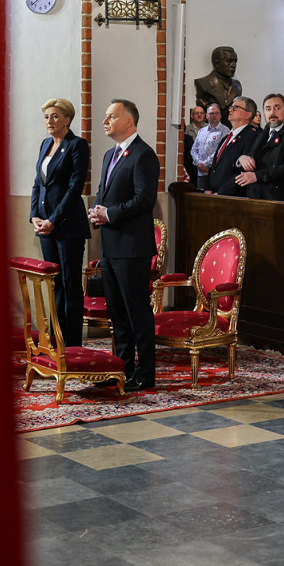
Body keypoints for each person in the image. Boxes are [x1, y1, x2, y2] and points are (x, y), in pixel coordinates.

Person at [88, 99, 161, 392]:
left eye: (111, 116)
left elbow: (144, 199)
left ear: (129, 121)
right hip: (110, 246)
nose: (105, 121)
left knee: (136, 313)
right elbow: (103, 192)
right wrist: (97, 211)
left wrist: (110, 214)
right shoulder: (110, 154)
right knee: (117, 313)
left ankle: (145, 373)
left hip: (132, 248)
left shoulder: (144, 155)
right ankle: (122, 368)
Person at [29, 98, 91, 347]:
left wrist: (54, 220)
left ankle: (72, 345)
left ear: (67, 119)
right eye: (46, 117)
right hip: (46, 227)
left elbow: (75, 187)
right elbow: (38, 184)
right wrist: (34, 216)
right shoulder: (45, 144)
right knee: (54, 285)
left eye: (55, 116)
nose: (50, 121)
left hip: (68, 227)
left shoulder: (77, 145)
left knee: (70, 285)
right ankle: (56, 341)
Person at [242, 93, 284, 201]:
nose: (272, 113)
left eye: (277, 108)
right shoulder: (261, 134)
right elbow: (251, 155)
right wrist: (242, 158)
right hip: (255, 195)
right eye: (268, 109)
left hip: (277, 198)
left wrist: (257, 176)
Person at [204, 96, 261, 195]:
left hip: (231, 196)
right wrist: (208, 188)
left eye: (236, 107)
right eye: (231, 107)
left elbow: (243, 172)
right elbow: (214, 166)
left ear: (248, 114)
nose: (230, 110)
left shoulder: (251, 136)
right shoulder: (225, 138)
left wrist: (221, 193)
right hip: (213, 194)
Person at [189, 103, 229, 189]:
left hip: (214, 172)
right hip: (201, 173)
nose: (214, 115)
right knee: (200, 195)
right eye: (211, 113)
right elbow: (194, 149)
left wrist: (205, 164)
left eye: (216, 113)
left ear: (220, 115)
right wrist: (199, 163)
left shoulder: (225, 131)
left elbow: (221, 151)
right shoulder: (202, 131)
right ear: (207, 116)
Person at [193, 45, 242, 114]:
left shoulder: (237, 86)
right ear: (217, 63)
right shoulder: (203, 83)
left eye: (235, 61)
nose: (233, 65)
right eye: (229, 61)